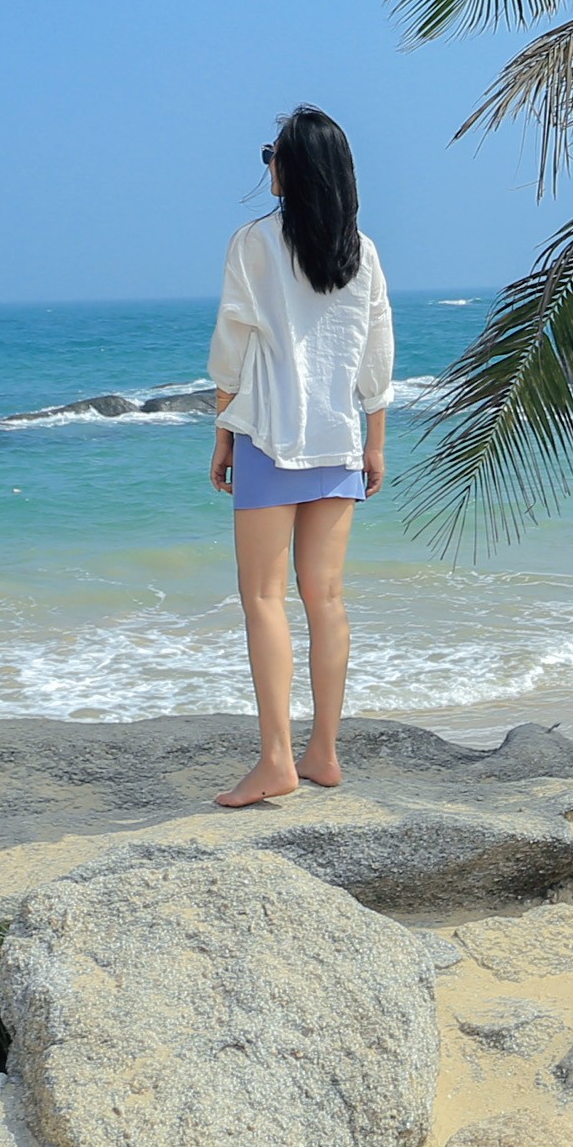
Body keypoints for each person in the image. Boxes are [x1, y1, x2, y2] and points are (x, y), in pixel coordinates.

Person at [202, 104, 394, 808]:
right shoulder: (362, 250)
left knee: (263, 598)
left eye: (270, 154)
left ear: (290, 169)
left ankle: (277, 760)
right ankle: (325, 754)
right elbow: (377, 355)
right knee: (328, 599)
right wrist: (375, 444)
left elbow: (233, 346)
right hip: (340, 438)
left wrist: (223, 432)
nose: (268, 166)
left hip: (270, 437)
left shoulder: (254, 244)